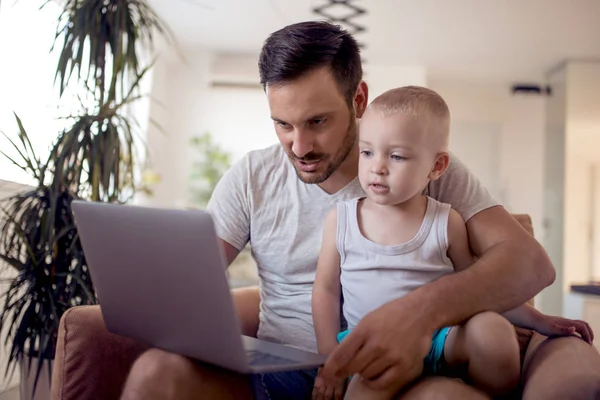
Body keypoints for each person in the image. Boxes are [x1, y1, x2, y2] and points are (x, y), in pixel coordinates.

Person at [120, 21, 600, 400]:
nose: (299, 145)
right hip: (280, 374)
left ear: (359, 100)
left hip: (400, 371)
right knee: (154, 371)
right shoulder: (250, 177)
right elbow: (193, 283)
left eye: (318, 121)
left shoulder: (424, 169)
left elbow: (530, 263)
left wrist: (415, 315)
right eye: (282, 124)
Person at [311, 86, 593, 400]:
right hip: (374, 344)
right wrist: (329, 361)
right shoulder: (342, 219)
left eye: (397, 156)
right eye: (367, 152)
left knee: (493, 331)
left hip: (441, 339)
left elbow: (481, 290)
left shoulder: (446, 221)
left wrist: (541, 321)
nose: (377, 166)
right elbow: (325, 291)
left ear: (437, 166)